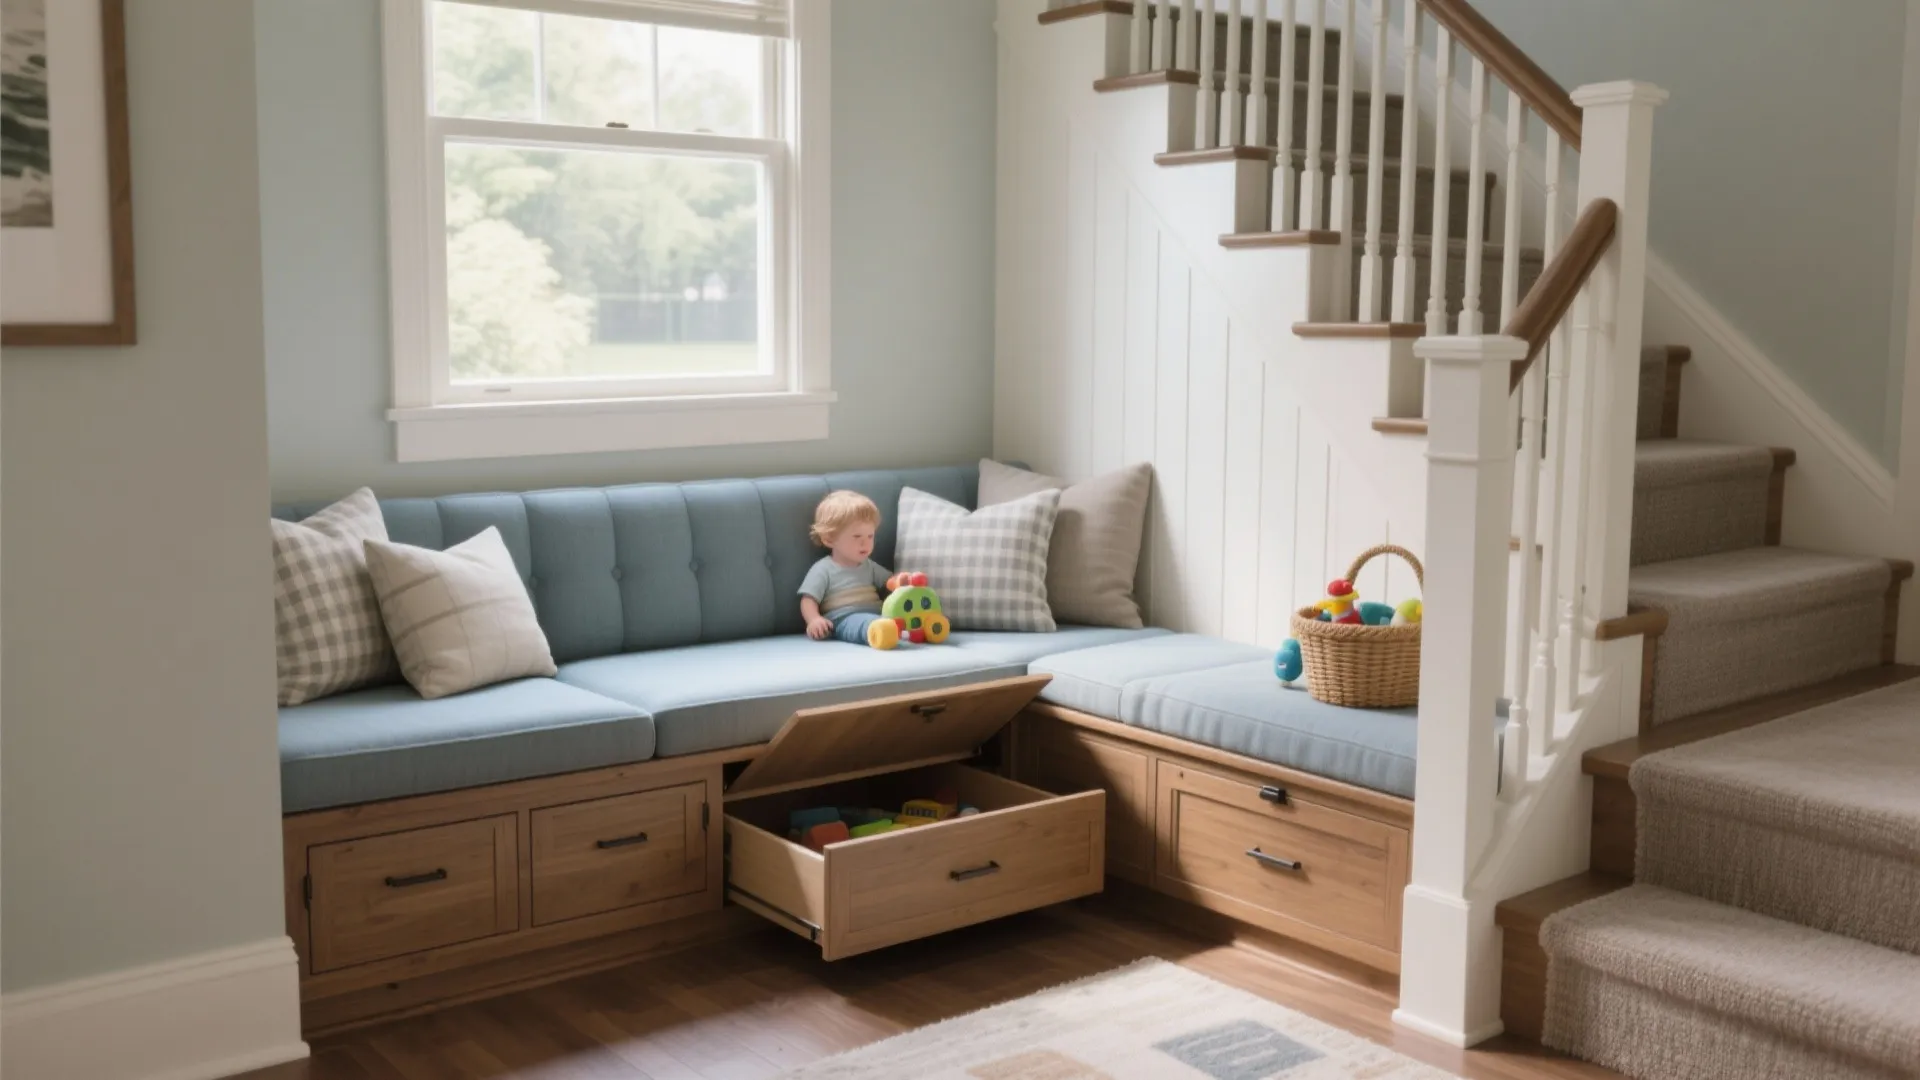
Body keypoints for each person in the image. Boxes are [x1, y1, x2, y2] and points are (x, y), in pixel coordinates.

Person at [797, 491, 902, 649]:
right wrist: (814, 620)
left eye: (870, 536)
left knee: (897, 616)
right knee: (863, 623)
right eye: (857, 537)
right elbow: (808, 599)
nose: (865, 543)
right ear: (829, 539)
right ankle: (880, 632)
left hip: (878, 614)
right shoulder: (823, 569)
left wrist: (901, 581)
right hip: (843, 618)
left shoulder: (869, 565)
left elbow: (889, 582)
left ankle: (896, 628)